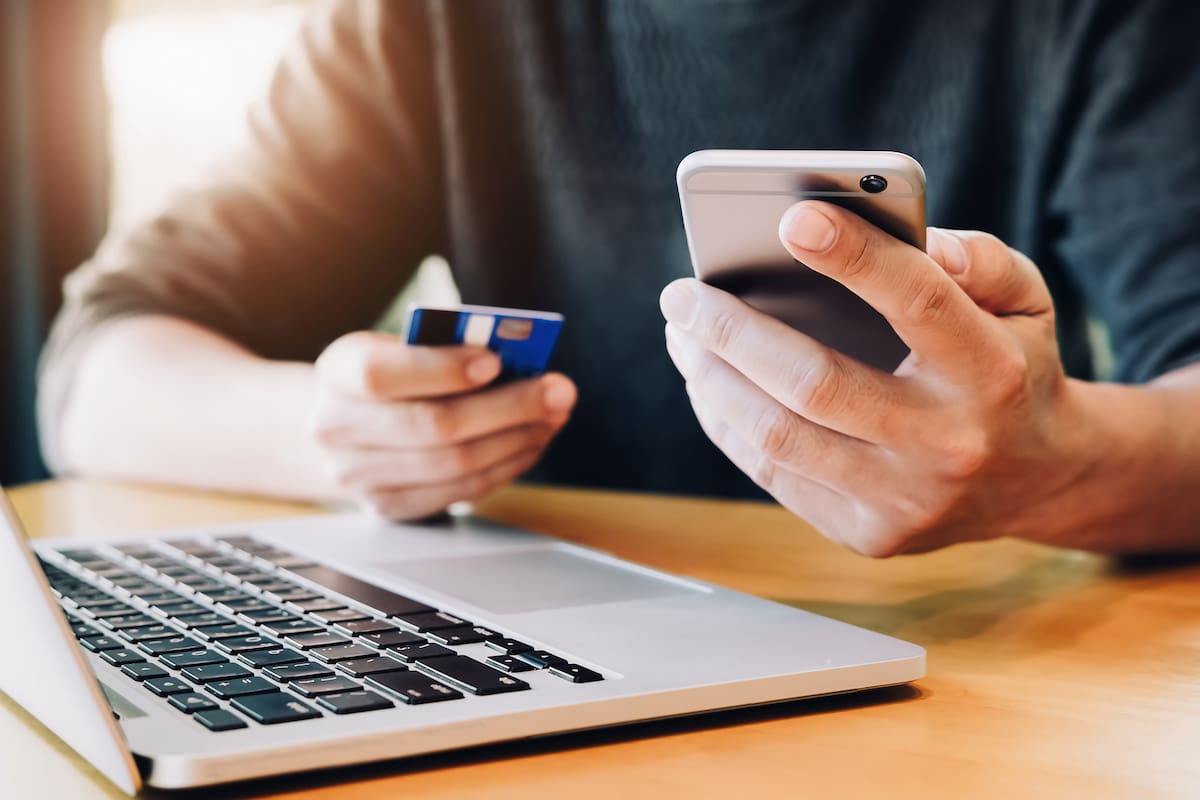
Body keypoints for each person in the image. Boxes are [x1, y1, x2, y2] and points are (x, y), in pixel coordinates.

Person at [39, 1, 1200, 556]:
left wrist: (1053, 467)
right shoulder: (431, 23)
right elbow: (95, 369)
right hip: (555, 666)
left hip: (978, 684)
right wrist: (331, 435)